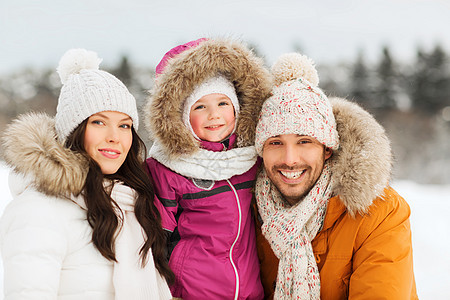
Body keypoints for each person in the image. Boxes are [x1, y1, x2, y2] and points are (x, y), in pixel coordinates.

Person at [0, 48, 174, 299]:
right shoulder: (39, 210)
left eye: (124, 125)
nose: (115, 137)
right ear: (74, 131)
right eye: (99, 122)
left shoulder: (131, 206)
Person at [253, 53, 418, 299]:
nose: (289, 159)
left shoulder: (379, 213)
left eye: (304, 141)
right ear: (261, 151)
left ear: (327, 148)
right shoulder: (242, 210)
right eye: (276, 142)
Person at [144, 38, 272, 299]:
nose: (214, 115)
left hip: (249, 291)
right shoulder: (169, 169)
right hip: (192, 291)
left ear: (237, 109)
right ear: (182, 116)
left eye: (223, 104)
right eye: (201, 106)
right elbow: (154, 241)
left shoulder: (249, 160)